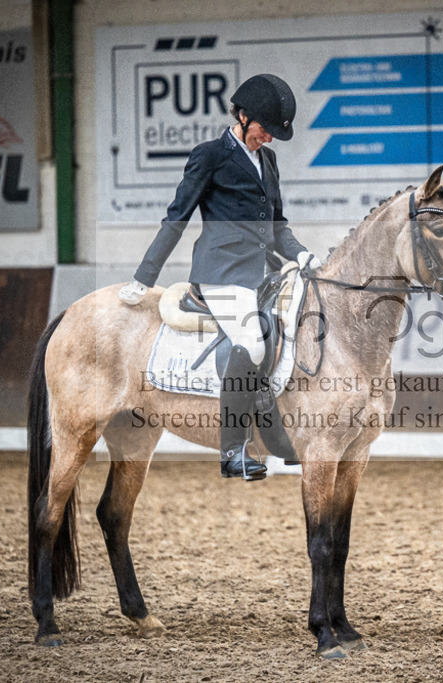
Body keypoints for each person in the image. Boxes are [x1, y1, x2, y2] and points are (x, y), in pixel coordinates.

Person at [118, 74, 320, 481]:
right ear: (243, 116)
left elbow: (277, 226)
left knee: (288, 331)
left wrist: (304, 255)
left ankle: (277, 433)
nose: (270, 139)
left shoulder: (269, 160)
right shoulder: (209, 155)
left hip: (263, 272)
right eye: (265, 129)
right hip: (222, 272)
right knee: (248, 341)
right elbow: (177, 218)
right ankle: (232, 451)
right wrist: (144, 276)